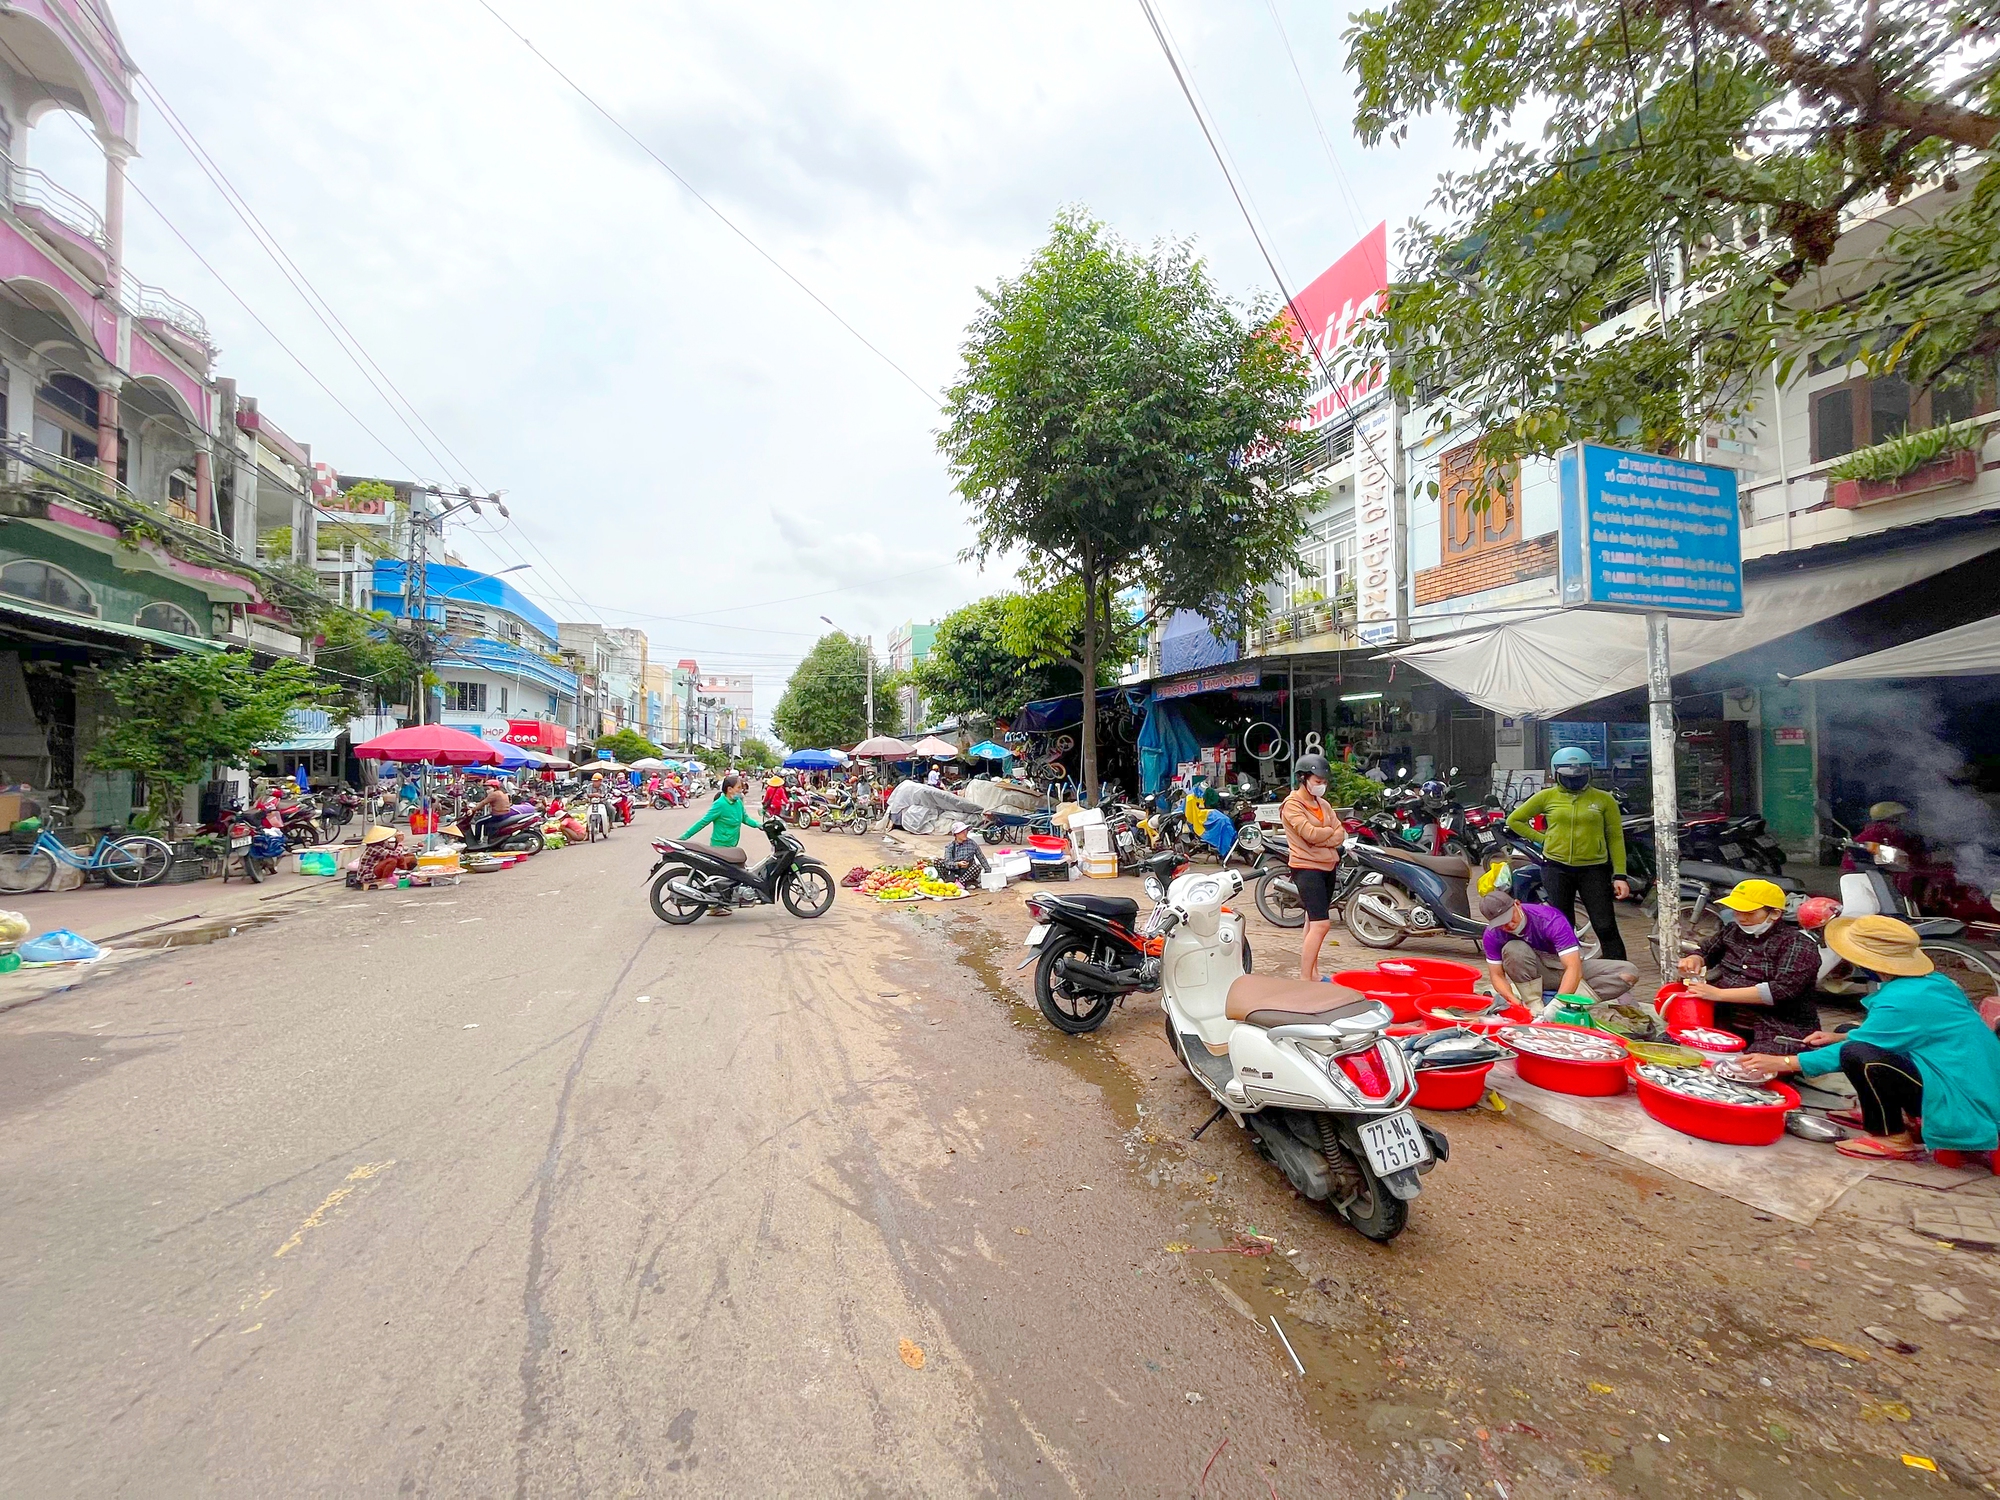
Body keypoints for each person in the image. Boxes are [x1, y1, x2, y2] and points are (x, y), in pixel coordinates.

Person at [1733, 915, 2000, 1163]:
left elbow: (1859, 1047)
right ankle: (1879, 1110)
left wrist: (1784, 1062)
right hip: (1961, 1075)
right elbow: (1908, 1031)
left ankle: (1892, 1136)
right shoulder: (1934, 982)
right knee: (1851, 1034)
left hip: (1960, 1095)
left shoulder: (1903, 999)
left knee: (1859, 1054)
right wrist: (1838, 1035)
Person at [1504, 746, 1631, 961]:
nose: (1574, 781)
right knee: (1562, 923)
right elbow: (1514, 820)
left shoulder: (1604, 799)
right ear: (1556, 774)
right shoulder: (1547, 797)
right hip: (1556, 868)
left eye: (1580, 776)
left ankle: (1620, 974)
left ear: (1589, 773)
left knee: (1605, 924)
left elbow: (1616, 838)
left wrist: (1620, 875)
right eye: (1567, 777)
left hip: (1594, 869)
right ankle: (1566, 972)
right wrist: (1544, 839)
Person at [1673, 877, 1822, 1051]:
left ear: (1774, 913)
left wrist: (1719, 994)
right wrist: (1695, 959)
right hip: (1725, 1016)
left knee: (1750, 1066)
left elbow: (1781, 990)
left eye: (1750, 913)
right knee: (1674, 1041)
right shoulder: (1732, 931)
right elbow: (1706, 951)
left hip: (1777, 1025)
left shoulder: (1798, 945)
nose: (1741, 918)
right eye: (1737, 911)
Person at [1479, 888, 1638, 1006]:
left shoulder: (1550, 919)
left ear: (1517, 904)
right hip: (1536, 974)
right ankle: (1533, 1005)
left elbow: (1573, 968)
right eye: (1501, 924)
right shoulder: (1492, 934)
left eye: (1509, 917)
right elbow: (1497, 975)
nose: (1509, 925)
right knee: (1514, 948)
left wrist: (1559, 1003)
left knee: (1627, 973)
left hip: (1565, 969)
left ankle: (1568, 1004)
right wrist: (1511, 998)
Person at [1280, 754, 1345, 981]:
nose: (1322, 786)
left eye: (1324, 782)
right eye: (1318, 781)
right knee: (1321, 924)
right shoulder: (1292, 805)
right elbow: (1309, 834)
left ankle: (1314, 974)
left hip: (1328, 866)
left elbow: (1341, 832)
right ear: (1303, 778)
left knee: (1312, 921)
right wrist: (1329, 834)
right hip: (1307, 868)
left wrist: (1324, 836)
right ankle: (1305, 980)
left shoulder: (1323, 805)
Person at [468, 773, 514, 844]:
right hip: (504, 814)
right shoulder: (501, 793)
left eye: (488, 788)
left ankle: (477, 841)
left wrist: (472, 810)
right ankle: (485, 838)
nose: (487, 790)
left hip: (498, 815)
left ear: (494, 787)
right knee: (485, 821)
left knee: (478, 822)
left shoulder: (494, 794)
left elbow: (483, 803)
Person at [939, 820, 989, 885]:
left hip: (968, 871)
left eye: (965, 831)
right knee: (938, 861)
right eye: (962, 832)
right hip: (954, 870)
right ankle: (948, 880)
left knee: (977, 867)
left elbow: (981, 858)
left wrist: (988, 871)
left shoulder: (972, 843)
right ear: (956, 834)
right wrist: (958, 864)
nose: (965, 833)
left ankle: (960, 882)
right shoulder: (950, 846)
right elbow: (947, 863)